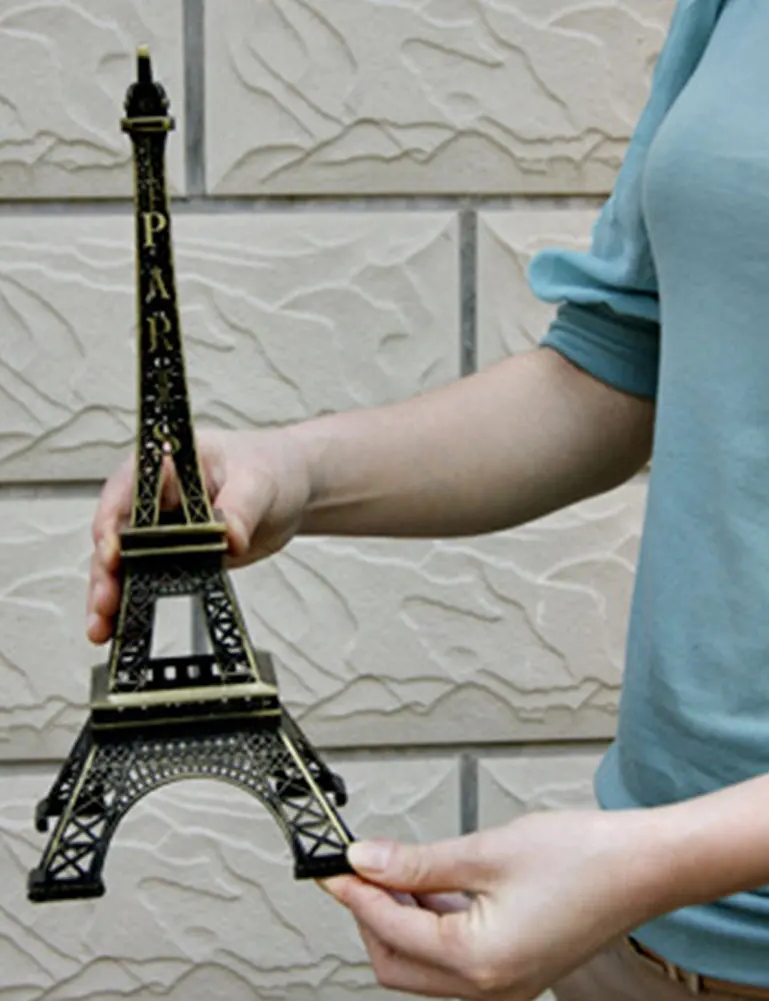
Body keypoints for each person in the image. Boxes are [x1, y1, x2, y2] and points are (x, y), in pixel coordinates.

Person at [85, 0, 769, 996]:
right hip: (633, 941)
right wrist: (292, 469)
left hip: (633, 880)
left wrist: (647, 860)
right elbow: (615, 365)